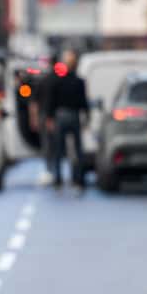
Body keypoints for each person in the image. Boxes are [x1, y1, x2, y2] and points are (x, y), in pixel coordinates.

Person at [43, 50, 89, 190]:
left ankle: (58, 179)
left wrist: (49, 118)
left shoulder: (57, 81)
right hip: (74, 116)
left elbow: (50, 101)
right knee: (77, 150)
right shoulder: (79, 81)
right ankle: (78, 179)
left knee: (58, 149)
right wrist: (87, 117)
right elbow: (83, 102)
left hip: (61, 116)